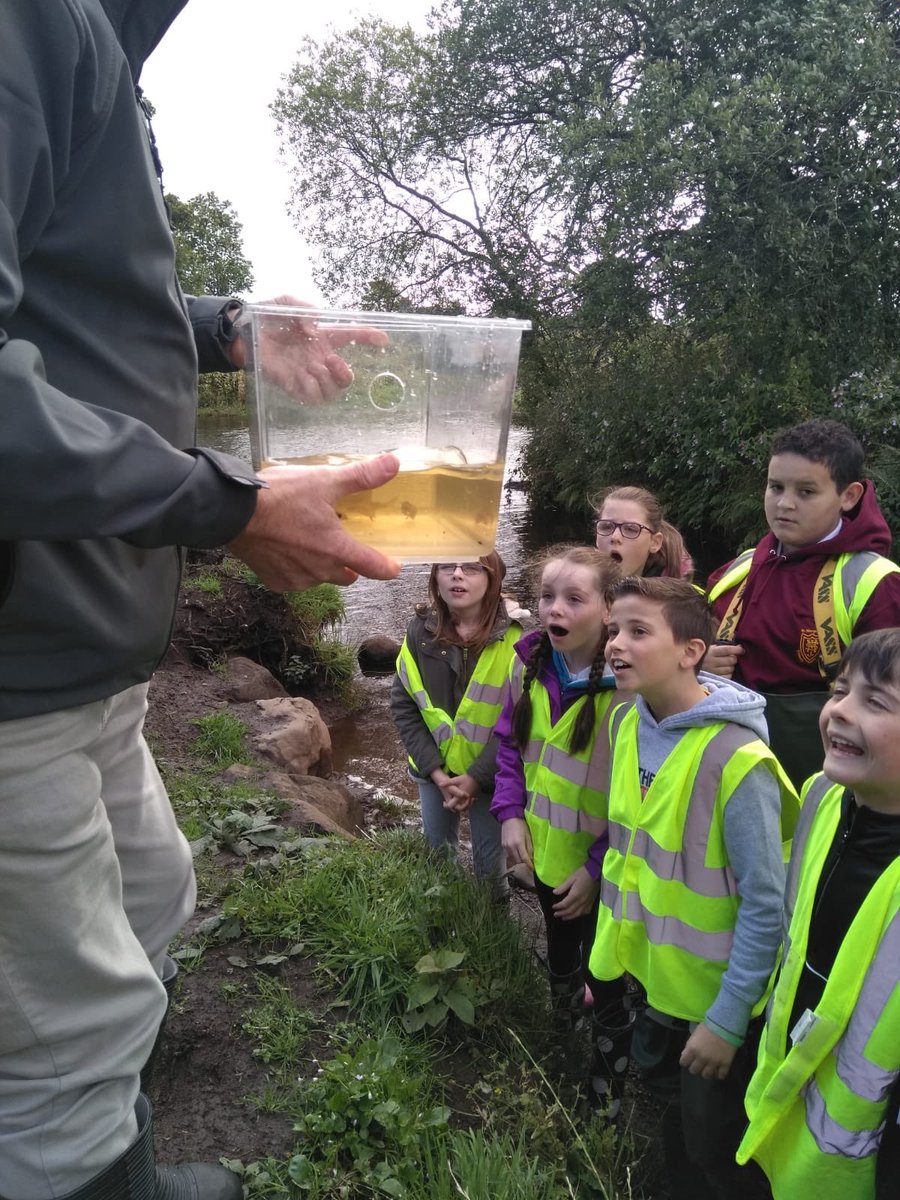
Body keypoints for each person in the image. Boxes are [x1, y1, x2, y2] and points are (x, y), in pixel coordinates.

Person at [0, 4, 403, 1198]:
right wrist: (228, 505)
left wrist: (226, 329)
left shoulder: (99, 38)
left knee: (152, 898)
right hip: (18, 667)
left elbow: (66, 309)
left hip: (84, 649)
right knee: (66, 1037)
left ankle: (110, 1150)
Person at [591, 576, 798, 1199]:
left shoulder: (738, 759)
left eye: (638, 631)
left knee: (718, 1147)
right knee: (673, 1116)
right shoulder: (628, 722)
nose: (615, 644)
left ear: (691, 652)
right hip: (654, 978)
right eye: (614, 630)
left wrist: (728, 1021)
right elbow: (630, 854)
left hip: (714, 1001)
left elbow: (767, 904)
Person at [737, 628, 900, 1200]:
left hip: (862, 1160)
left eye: (876, 701)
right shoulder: (821, 797)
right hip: (782, 1095)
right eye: (840, 690)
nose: (840, 711)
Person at [491, 545, 631, 1117]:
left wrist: (596, 869)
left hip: (604, 874)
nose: (556, 609)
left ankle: (607, 1092)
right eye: (548, 596)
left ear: (608, 610)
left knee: (610, 977)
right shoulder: (527, 665)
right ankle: (563, 1034)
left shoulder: (628, 691)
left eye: (575, 599)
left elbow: (639, 800)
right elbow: (508, 746)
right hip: (548, 857)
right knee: (561, 951)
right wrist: (509, 813)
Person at [705, 419, 900, 790]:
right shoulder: (737, 571)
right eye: (775, 487)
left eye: (806, 491)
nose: (785, 504)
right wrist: (700, 664)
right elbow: (681, 651)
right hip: (731, 780)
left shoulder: (875, 583)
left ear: (849, 496)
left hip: (830, 787)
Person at [391, 554, 520, 897]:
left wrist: (476, 776)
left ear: (493, 579)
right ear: (435, 577)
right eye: (447, 566)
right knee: (438, 856)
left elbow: (522, 719)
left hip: (492, 774)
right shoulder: (419, 631)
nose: (457, 575)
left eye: (472, 568)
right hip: (434, 771)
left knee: (490, 871)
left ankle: (493, 924)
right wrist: (436, 774)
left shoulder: (517, 638)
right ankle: (443, 917)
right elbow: (404, 706)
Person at [593, 484, 695, 581]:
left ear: (655, 542)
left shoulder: (684, 594)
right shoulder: (583, 583)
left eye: (630, 529)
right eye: (606, 526)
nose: (615, 537)